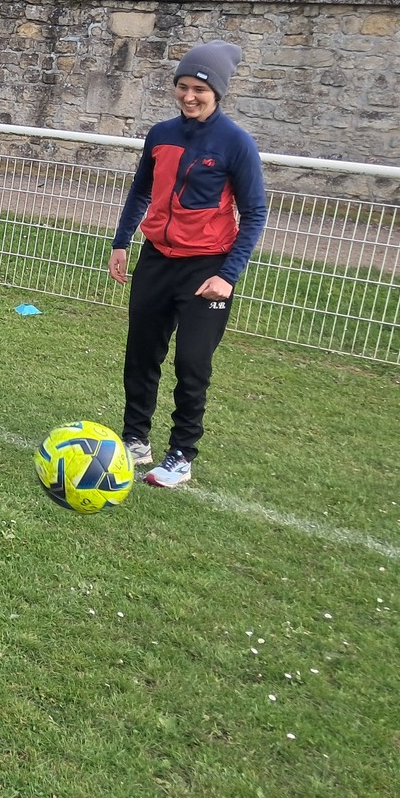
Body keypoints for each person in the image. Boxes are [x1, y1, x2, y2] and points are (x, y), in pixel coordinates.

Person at [108, 40, 268, 488]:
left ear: (217, 93)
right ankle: (135, 440)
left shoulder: (236, 142)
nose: (189, 96)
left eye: (200, 89)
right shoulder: (160, 135)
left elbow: (255, 213)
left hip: (207, 268)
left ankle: (181, 454)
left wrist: (227, 275)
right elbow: (140, 191)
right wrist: (121, 242)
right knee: (142, 354)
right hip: (156, 260)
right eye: (183, 86)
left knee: (192, 363)